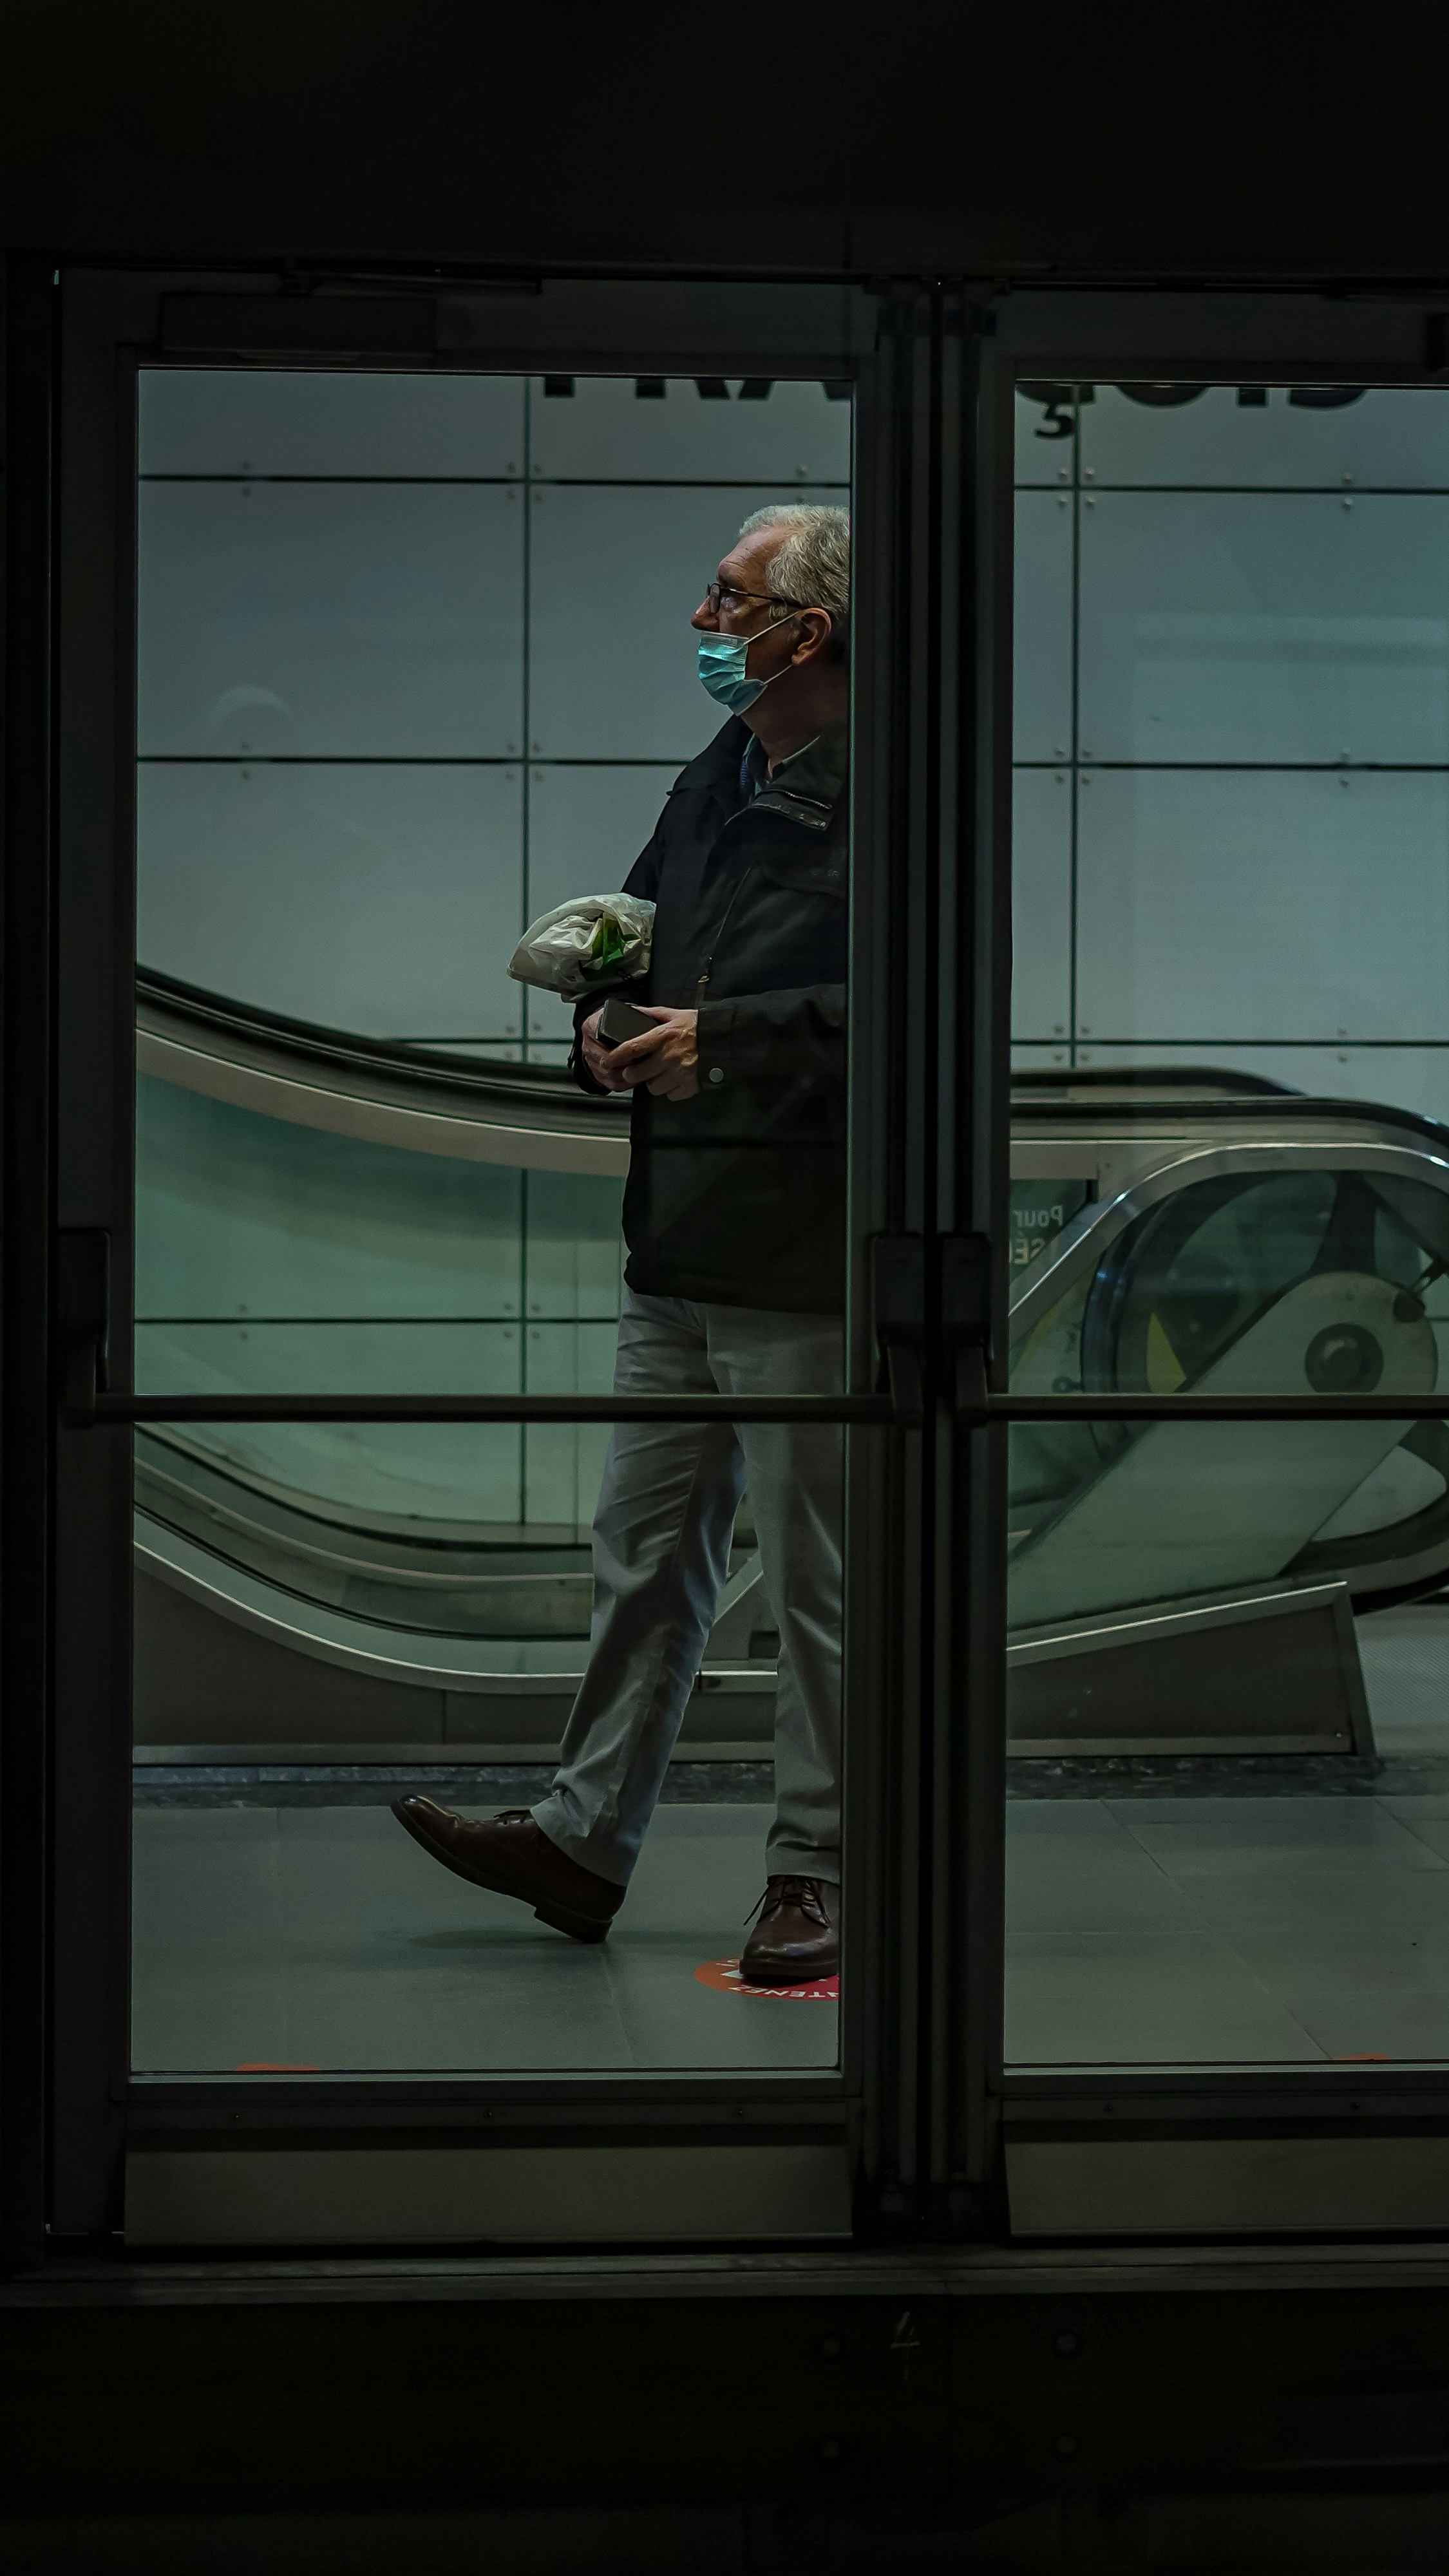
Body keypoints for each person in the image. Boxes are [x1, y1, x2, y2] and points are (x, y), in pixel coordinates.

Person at [394, 504, 850, 1984]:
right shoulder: (718, 774)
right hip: (680, 1238)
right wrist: (601, 1036)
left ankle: (817, 1872)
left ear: (811, 629)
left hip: (807, 1253)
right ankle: (585, 1841)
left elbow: (913, 1015)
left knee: (816, 1587)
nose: (704, 620)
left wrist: (721, 1037)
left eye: (730, 598)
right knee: (645, 1562)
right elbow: (636, 942)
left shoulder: (901, 798)